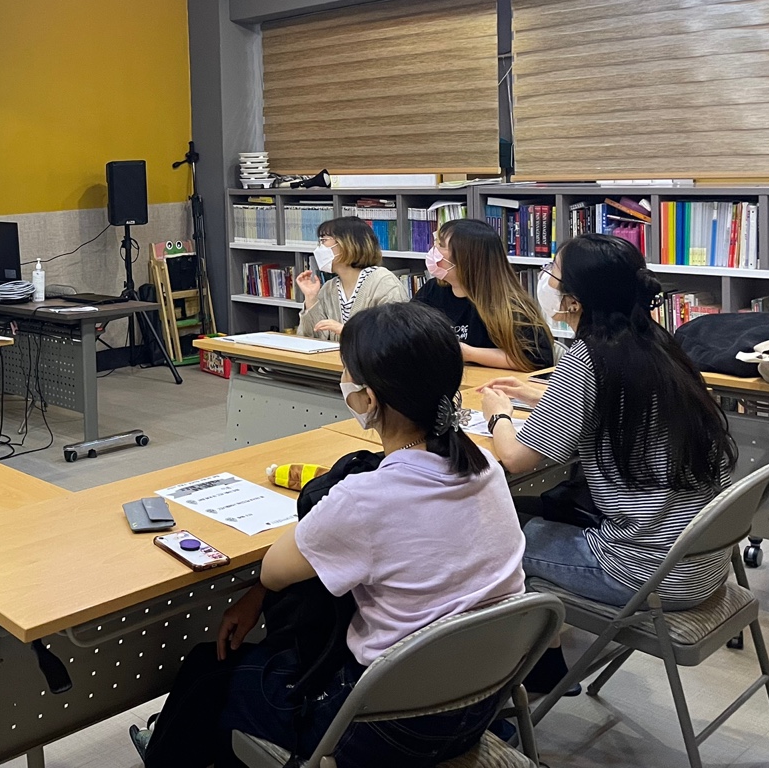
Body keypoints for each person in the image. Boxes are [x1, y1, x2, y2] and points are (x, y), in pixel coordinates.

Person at [139, 303, 526, 768]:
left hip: (385, 727)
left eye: (346, 372)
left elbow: (274, 571)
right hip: (477, 703)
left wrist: (324, 509)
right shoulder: (486, 469)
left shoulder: (365, 498)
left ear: (368, 399)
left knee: (208, 673)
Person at [482, 233, 739, 688]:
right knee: (539, 508)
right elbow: (612, 404)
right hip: (699, 564)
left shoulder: (586, 359)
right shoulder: (656, 344)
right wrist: (542, 394)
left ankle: (536, 670)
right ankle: (542, 660)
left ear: (575, 300)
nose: (546, 280)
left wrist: (498, 415)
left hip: (643, 572)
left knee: (491, 536)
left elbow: (516, 458)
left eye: (552, 272)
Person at [416, 217, 555, 371]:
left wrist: (468, 353)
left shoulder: (509, 307)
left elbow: (538, 359)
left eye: (441, 245)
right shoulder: (431, 291)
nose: (433, 250)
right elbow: (407, 336)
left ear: (466, 259)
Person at [296, 217, 408, 340]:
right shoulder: (329, 287)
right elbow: (310, 338)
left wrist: (347, 331)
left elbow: (396, 335)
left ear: (347, 244)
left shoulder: (384, 282)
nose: (319, 248)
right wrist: (311, 298)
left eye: (323, 240)